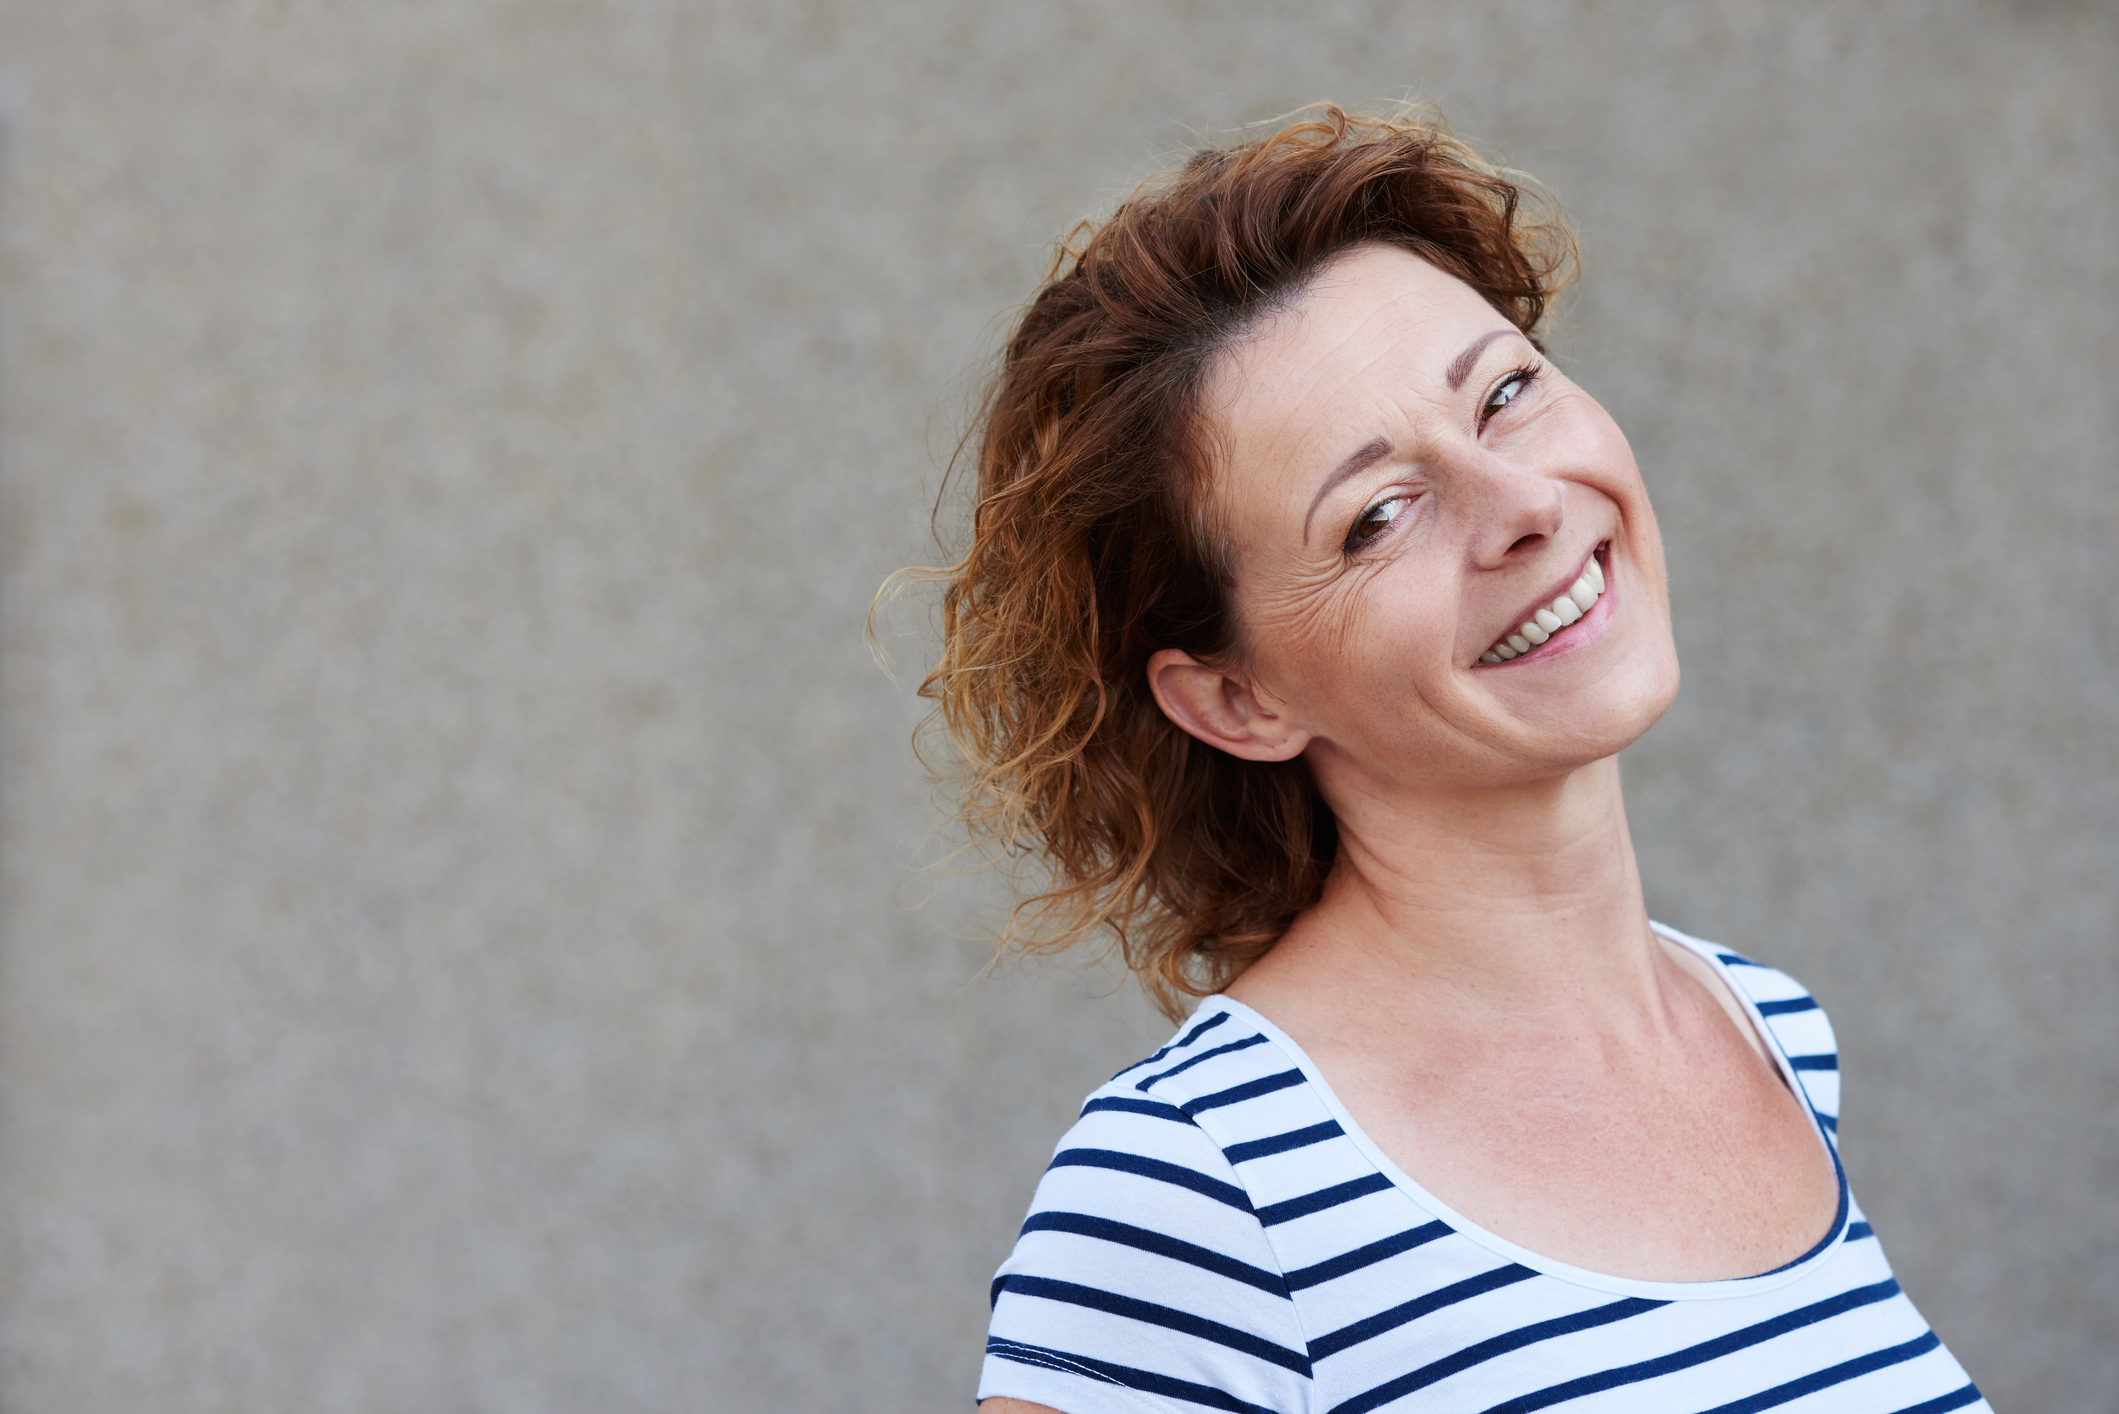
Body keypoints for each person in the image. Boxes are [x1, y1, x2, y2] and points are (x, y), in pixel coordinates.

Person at [911, 106, 1985, 1414]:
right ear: (1236, 698)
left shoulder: (1766, 1029)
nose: (1525, 505)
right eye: (1376, 515)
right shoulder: (1199, 1184)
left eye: (1507, 393)